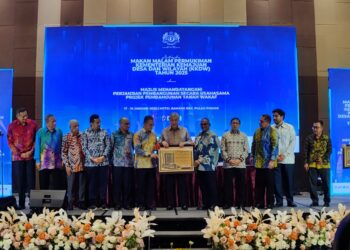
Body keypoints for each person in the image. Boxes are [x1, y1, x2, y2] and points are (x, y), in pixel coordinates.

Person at [160, 112, 193, 210]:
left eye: (176, 120)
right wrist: (162, 142)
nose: (174, 122)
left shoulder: (184, 130)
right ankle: (170, 204)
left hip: (181, 162)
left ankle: (183, 204)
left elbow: (191, 142)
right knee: (169, 184)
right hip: (168, 162)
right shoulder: (164, 131)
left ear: (178, 120)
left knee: (182, 184)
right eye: (172, 120)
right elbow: (158, 143)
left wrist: (185, 143)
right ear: (169, 120)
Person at [7, 108, 37, 209]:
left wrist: (30, 152)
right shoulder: (11, 126)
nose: (25, 118)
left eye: (26, 115)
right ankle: (21, 203)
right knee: (20, 181)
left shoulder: (33, 124)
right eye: (23, 116)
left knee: (31, 181)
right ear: (17, 116)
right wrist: (20, 154)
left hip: (30, 156)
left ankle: (33, 203)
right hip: (17, 157)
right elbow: (10, 142)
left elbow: (36, 140)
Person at [82, 114, 110, 209]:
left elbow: (108, 146)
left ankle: (103, 203)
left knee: (103, 184)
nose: (99, 124)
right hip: (90, 163)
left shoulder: (104, 132)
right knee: (92, 184)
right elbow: (84, 147)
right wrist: (92, 158)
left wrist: (103, 156)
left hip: (103, 162)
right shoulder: (85, 133)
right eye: (97, 122)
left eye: (99, 122)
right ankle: (92, 203)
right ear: (91, 123)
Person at [251, 114, 278, 209]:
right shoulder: (257, 131)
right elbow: (253, 145)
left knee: (270, 185)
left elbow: (275, 147)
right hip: (259, 163)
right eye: (260, 121)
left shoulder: (272, 131)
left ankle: (270, 203)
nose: (260, 122)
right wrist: (252, 156)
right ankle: (260, 203)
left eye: (262, 121)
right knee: (259, 185)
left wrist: (272, 160)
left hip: (269, 163)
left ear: (267, 122)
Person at [221, 118, 249, 209]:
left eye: (237, 123)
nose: (235, 124)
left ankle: (240, 204)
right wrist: (229, 160)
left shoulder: (244, 136)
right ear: (230, 124)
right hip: (228, 165)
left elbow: (246, 150)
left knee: (240, 185)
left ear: (239, 124)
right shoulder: (225, 135)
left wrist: (239, 160)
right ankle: (228, 203)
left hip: (240, 164)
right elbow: (222, 150)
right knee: (228, 186)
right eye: (233, 123)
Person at [272, 108, 297, 207]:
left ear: (282, 117)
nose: (274, 118)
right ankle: (279, 201)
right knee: (277, 182)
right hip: (276, 159)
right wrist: (275, 155)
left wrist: (284, 155)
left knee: (288, 182)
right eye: (273, 116)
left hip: (288, 159)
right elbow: (270, 144)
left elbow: (293, 142)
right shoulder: (271, 128)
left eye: (276, 116)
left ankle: (290, 201)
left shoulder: (289, 127)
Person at [304, 120, 332, 207]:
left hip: (324, 164)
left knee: (326, 184)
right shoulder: (309, 138)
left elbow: (329, 151)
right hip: (312, 164)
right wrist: (306, 162)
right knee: (312, 184)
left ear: (321, 128)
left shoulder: (327, 138)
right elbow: (305, 152)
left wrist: (323, 159)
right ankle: (315, 201)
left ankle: (326, 201)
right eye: (313, 127)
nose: (315, 129)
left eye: (317, 127)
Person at [194, 118, 220, 210]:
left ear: (209, 124)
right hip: (200, 167)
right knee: (203, 186)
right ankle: (206, 204)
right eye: (202, 124)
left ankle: (214, 204)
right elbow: (196, 149)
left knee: (211, 186)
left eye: (205, 124)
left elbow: (212, 152)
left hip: (209, 166)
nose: (203, 126)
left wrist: (199, 161)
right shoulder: (199, 135)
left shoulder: (212, 135)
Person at [134, 115, 158, 211]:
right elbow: (137, 150)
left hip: (151, 165)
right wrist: (149, 154)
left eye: (152, 125)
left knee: (150, 186)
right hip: (141, 165)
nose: (151, 126)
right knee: (141, 186)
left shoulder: (154, 135)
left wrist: (157, 151)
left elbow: (155, 148)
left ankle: (150, 204)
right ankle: (141, 204)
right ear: (145, 124)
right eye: (150, 125)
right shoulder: (138, 134)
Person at [35, 114, 64, 190]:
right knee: (44, 184)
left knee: (57, 185)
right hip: (44, 162)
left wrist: (62, 159)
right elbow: (37, 146)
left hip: (57, 162)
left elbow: (62, 146)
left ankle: (57, 202)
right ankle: (44, 201)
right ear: (47, 123)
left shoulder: (59, 131)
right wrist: (37, 160)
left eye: (55, 121)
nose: (55, 123)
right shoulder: (40, 132)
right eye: (53, 121)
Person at [62, 119, 86, 210]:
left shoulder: (83, 136)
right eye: (75, 126)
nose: (77, 128)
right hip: (71, 166)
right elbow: (63, 152)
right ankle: (70, 203)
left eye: (78, 126)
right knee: (71, 186)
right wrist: (67, 166)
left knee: (82, 186)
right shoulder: (66, 137)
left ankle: (81, 202)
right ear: (70, 127)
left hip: (82, 165)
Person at [110, 117, 134, 210]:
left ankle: (127, 203)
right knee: (117, 184)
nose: (128, 125)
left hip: (128, 163)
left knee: (127, 185)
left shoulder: (131, 134)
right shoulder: (114, 134)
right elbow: (111, 148)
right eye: (126, 124)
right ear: (120, 124)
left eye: (128, 124)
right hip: (117, 163)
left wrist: (131, 152)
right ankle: (117, 203)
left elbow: (134, 147)